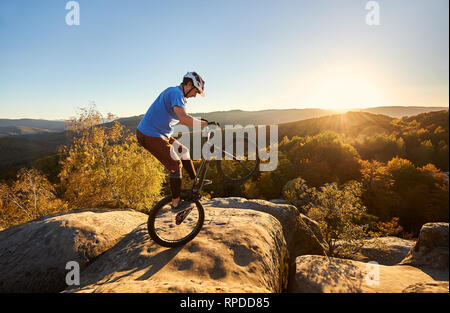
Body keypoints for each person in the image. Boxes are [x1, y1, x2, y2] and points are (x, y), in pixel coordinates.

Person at [136, 72, 214, 211]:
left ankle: (195, 181)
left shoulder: (179, 95)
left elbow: (185, 116)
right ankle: (176, 204)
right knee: (176, 164)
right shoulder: (175, 93)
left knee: (184, 152)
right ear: (189, 85)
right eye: (196, 91)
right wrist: (204, 123)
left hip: (160, 134)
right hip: (149, 134)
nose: (195, 95)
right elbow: (184, 119)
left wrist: (203, 122)